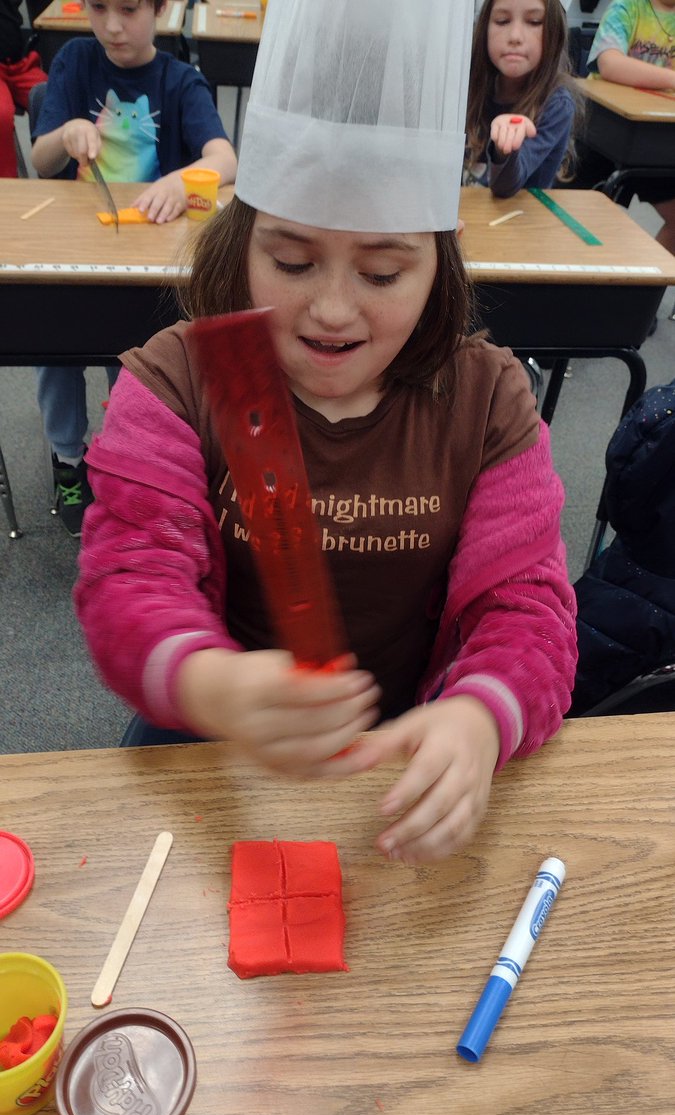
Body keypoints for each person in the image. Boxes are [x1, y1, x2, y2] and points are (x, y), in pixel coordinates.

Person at [75, 0, 577, 866]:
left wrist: (480, 713)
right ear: (242, 240)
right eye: (293, 260)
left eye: (383, 270)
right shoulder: (181, 382)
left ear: (439, 260)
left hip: (399, 760)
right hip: (212, 752)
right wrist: (211, 679)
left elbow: (527, 612)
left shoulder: (485, 400)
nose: (333, 309)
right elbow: (127, 581)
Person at [30, 0, 238, 536]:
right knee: (53, 352)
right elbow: (41, 160)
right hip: (75, 248)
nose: (113, 26)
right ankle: (68, 460)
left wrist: (179, 178)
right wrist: (66, 131)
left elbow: (225, 157)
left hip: (144, 257)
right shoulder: (75, 61)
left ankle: (128, 460)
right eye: (98, 8)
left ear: (160, 9)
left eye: (128, 9)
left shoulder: (180, 79)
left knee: (138, 362)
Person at [580, 0, 675, 254]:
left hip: (658, 139)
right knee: (583, 226)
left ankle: (650, 288)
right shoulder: (627, 7)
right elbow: (609, 64)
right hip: (603, 133)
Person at [465, 0, 577, 196]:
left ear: (555, 32)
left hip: (518, 221)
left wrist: (504, 149)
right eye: (502, 21)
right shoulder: (470, 86)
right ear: (484, 29)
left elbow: (504, 188)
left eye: (534, 22)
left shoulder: (557, 105)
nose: (515, 37)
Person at [0, 0, 47, 176]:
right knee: (1, 115)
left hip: (18, 64)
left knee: (54, 97)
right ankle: (7, 189)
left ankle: (56, 176)